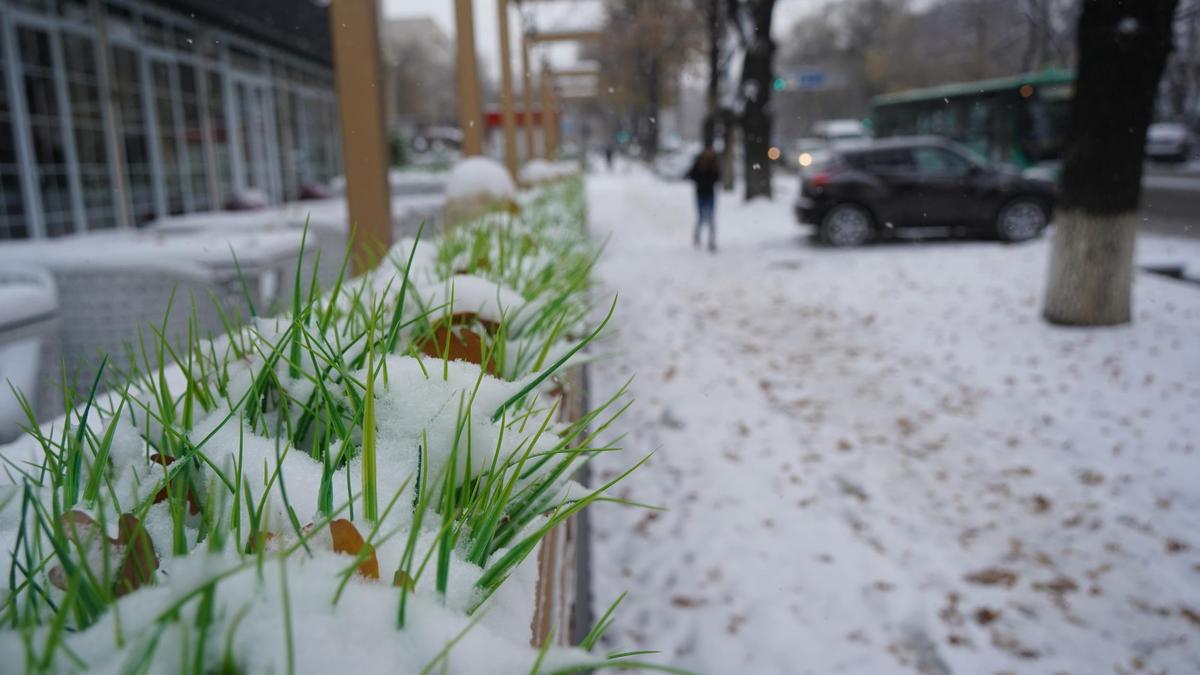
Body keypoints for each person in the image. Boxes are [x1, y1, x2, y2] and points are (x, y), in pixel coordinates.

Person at [685, 146, 721, 251]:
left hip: (710, 194)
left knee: (711, 218)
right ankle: (697, 236)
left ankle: (711, 240)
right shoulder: (698, 164)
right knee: (701, 218)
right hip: (700, 194)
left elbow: (718, 177)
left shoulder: (714, 165)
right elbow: (691, 175)